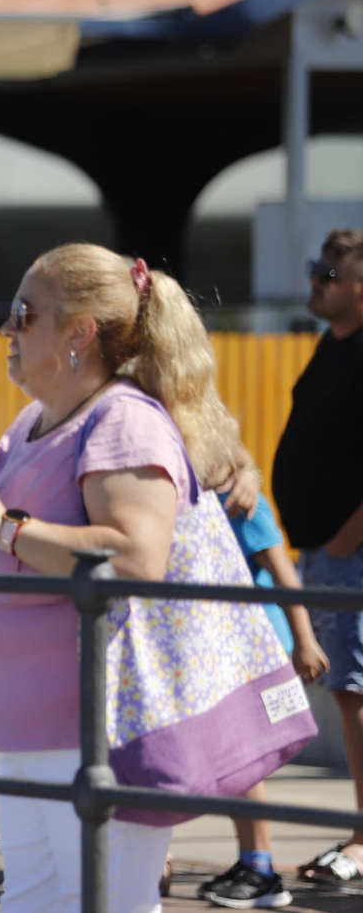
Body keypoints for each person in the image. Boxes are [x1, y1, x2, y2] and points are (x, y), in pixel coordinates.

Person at [0, 244, 245, 913]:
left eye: (22, 314)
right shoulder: (32, 423)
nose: (5, 330)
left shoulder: (123, 420)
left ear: (79, 332)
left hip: (95, 733)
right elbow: (14, 546)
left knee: (103, 904)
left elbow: (134, 559)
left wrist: (1, 523)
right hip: (34, 734)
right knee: (35, 904)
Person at [271, 227, 363, 885]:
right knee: (347, 693)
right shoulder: (331, 346)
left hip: (347, 553)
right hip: (326, 551)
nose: (316, 282)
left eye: (330, 274)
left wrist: (345, 539)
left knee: (354, 693)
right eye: (315, 269)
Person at [194, 473, 328, 907]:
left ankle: (261, 868)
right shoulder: (196, 497)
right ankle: (251, 861)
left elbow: (284, 573)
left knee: (243, 760)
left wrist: (304, 640)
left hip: (256, 650)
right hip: (223, 649)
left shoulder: (242, 503)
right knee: (230, 761)